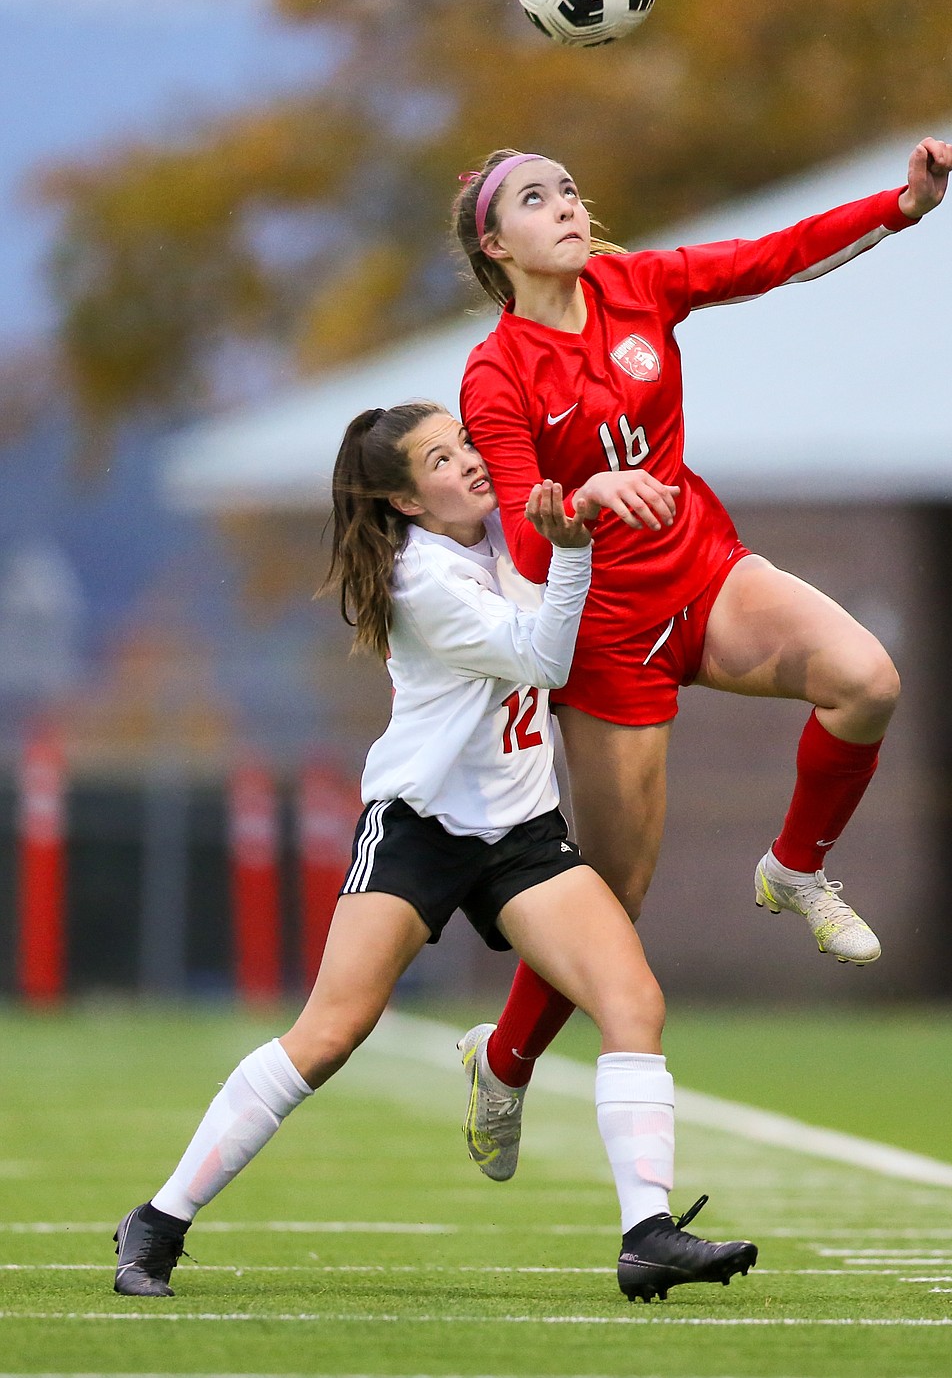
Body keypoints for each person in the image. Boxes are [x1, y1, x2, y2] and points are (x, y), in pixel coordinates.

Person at [112, 401, 756, 1305]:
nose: (472, 464)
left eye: (466, 444)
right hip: (421, 827)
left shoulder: (503, 539)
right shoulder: (425, 580)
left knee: (632, 1001)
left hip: (523, 836)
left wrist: (588, 497)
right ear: (407, 503)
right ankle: (160, 1220)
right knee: (329, 1034)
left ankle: (644, 1234)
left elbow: (556, 514)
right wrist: (573, 547)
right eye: (443, 460)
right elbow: (543, 659)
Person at [450, 139, 952, 1169]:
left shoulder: (638, 286)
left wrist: (902, 204)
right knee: (614, 896)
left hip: (703, 574)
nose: (567, 206)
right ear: (496, 244)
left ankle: (796, 868)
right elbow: (527, 540)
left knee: (867, 679)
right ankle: (502, 1064)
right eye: (536, 198)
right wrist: (582, 504)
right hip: (604, 640)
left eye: (570, 188)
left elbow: (775, 257)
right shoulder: (496, 373)